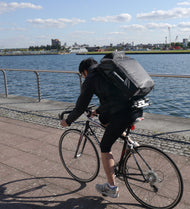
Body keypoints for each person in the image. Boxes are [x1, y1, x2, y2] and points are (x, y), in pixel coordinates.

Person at [60, 57, 142, 198]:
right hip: (136, 107)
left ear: (84, 71)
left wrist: (68, 121)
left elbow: (80, 106)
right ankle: (129, 142)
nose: (83, 77)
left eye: (82, 75)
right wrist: (97, 112)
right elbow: (113, 98)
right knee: (104, 119)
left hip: (122, 112)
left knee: (105, 146)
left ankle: (111, 187)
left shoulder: (91, 77)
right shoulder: (108, 72)